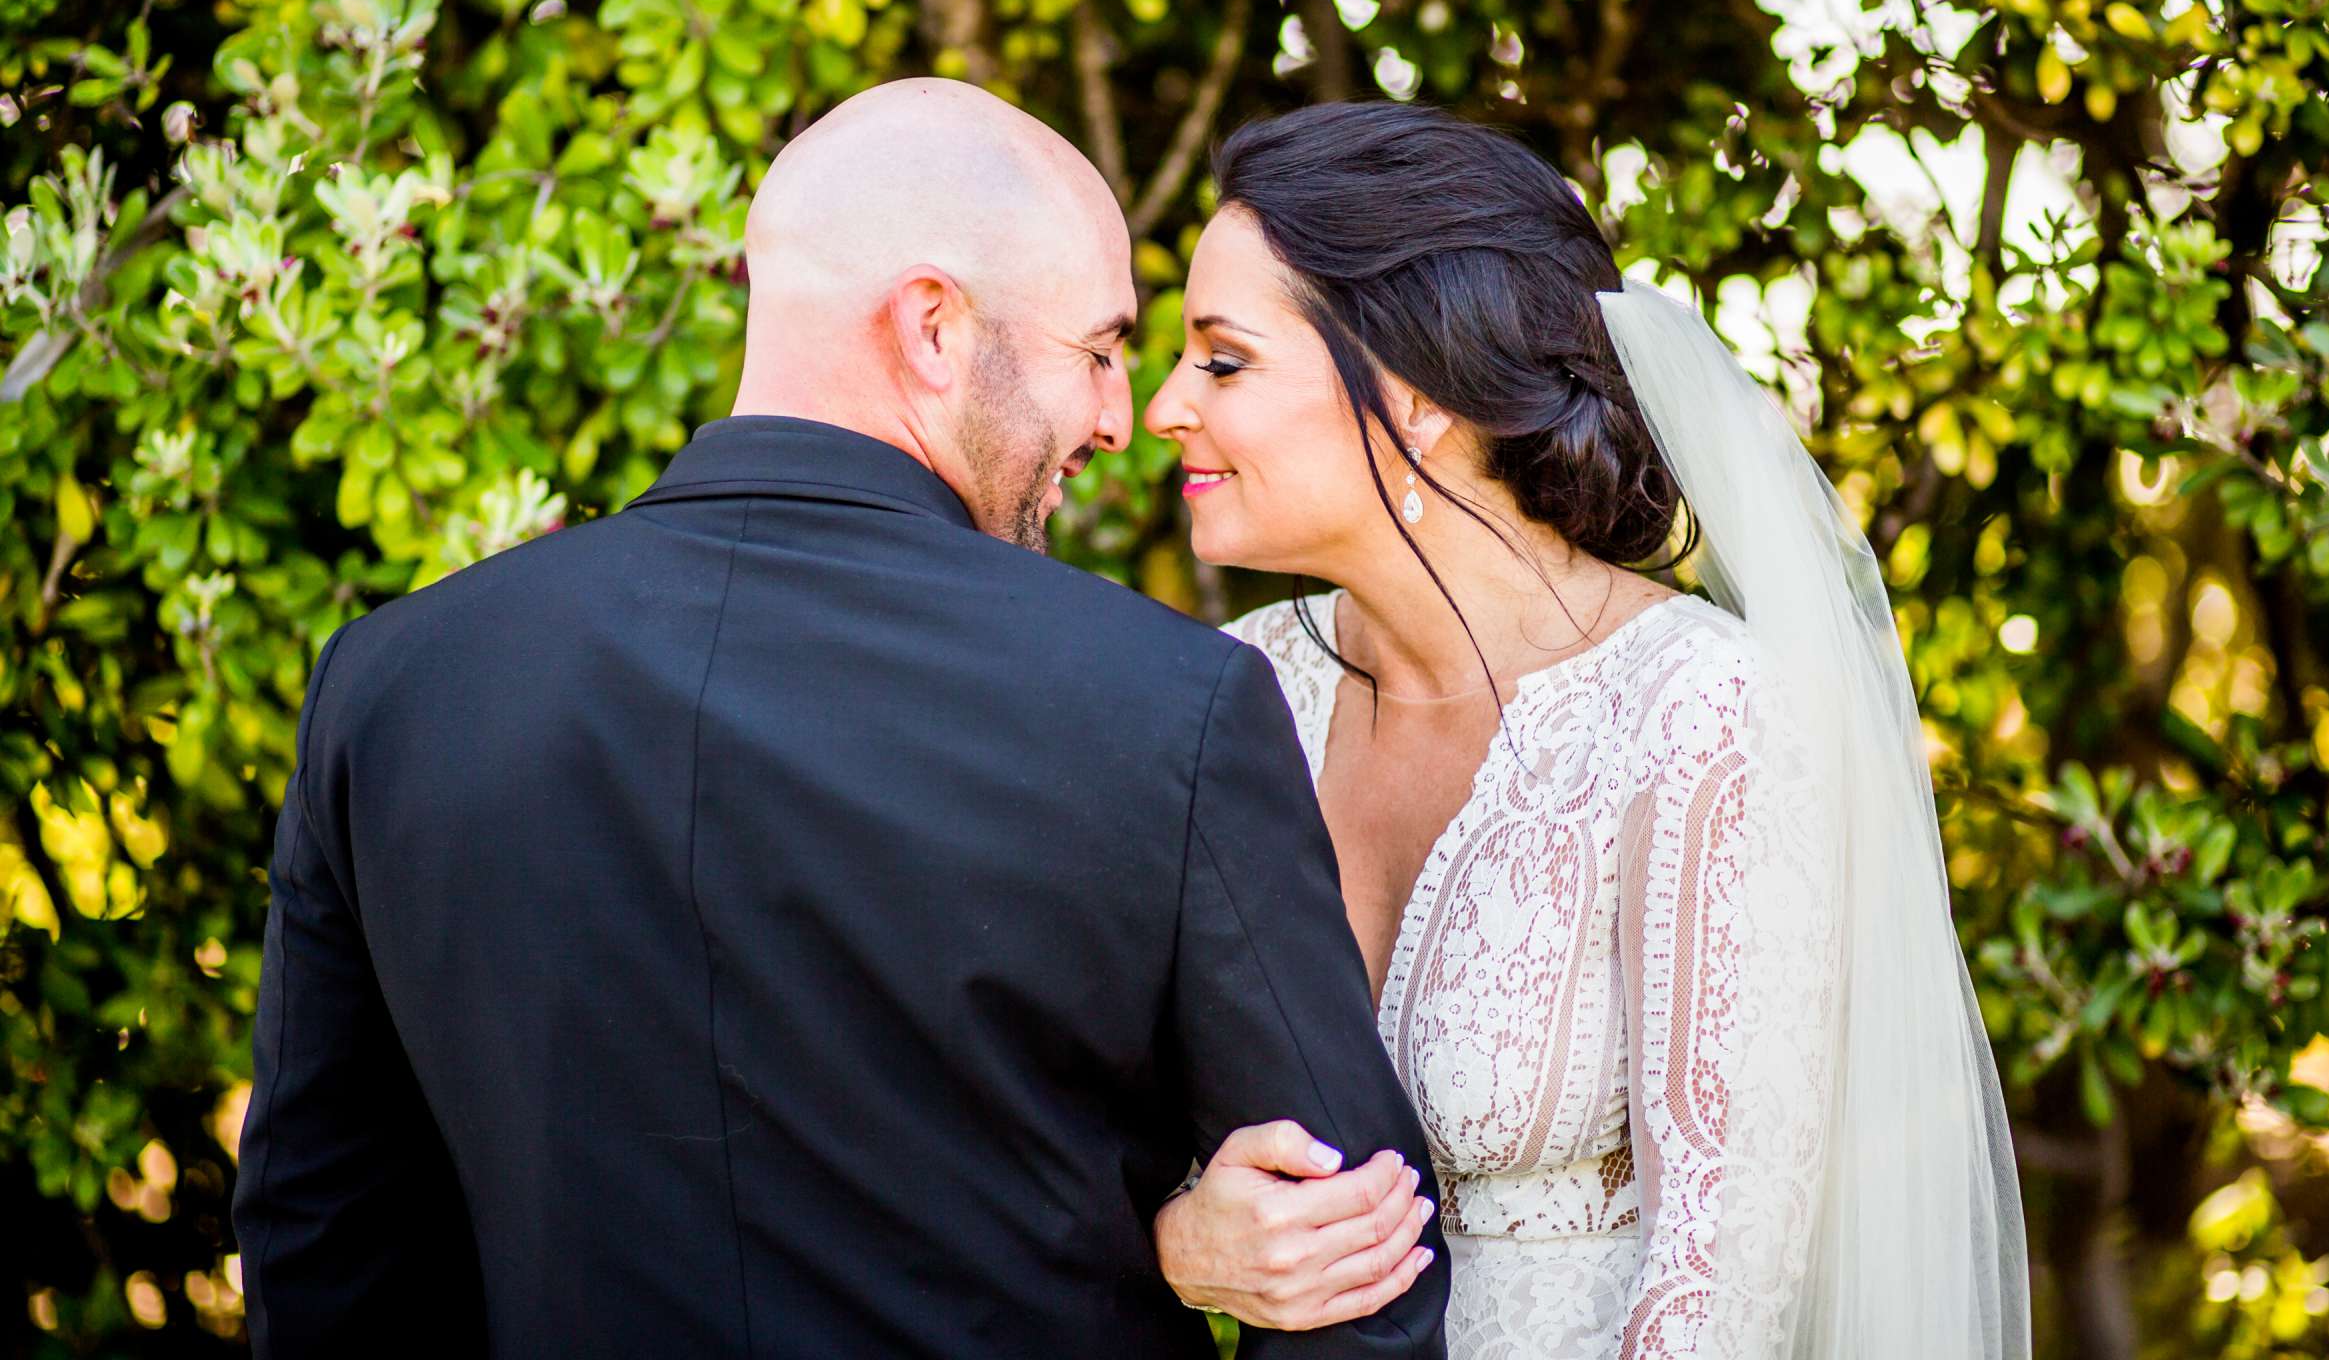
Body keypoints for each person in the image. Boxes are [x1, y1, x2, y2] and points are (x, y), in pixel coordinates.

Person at [232, 79, 1447, 1357]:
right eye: (1096, 349)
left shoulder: (395, 686)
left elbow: (322, 1246)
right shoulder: (1166, 704)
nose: (1111, 414)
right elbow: (1360, 1265)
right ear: (933, 328)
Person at [1145, 101, 2030, 1358]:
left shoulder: (1699, 716)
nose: (1167, 404)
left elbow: (1715, 1291)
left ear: (1413, 399)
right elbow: (1083, 1136)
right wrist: (1183, 1240)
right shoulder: (1235, 692)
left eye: (1223, 361)